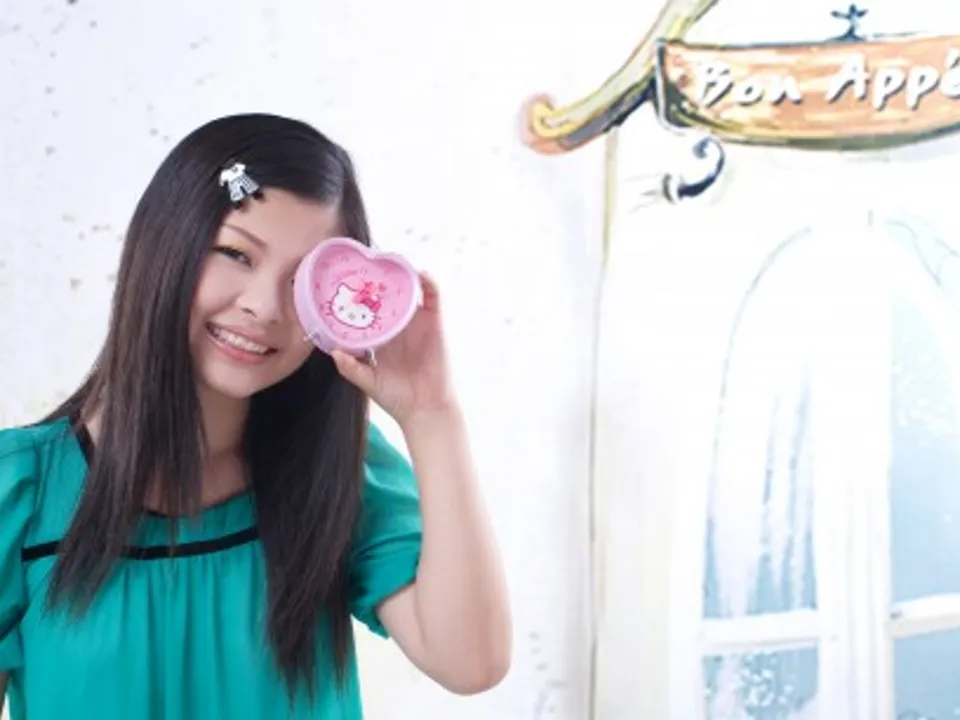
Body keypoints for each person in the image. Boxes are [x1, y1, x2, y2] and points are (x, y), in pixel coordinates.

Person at [0, 113, 511, 719]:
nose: (265, 306)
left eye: (303, 280)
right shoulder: (21, 493)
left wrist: (431, 414)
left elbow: (471, 663)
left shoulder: (339, 470)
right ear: (164, 246)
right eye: (235, 253)